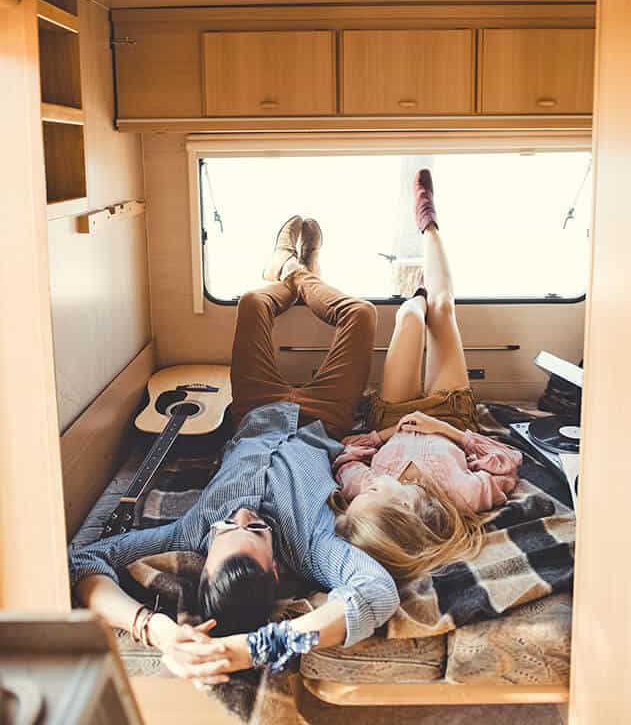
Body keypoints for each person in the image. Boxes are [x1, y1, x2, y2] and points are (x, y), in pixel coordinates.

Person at [69, 215, 398, 686]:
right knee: (361, 314)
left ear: (205, 551)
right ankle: (303, 273)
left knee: (250, 303)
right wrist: (258, 647)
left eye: (227, 528)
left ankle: (286, 270)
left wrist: (154, 627)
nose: (242, 514)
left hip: (256, 410)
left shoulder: (188, 531)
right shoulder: (311, 549)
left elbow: (82, 560)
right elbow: (374, 593)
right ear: (277, 565)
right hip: (325, 418)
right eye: (258, 529)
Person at [331, 169, 522, 582]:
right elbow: (507, 463)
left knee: (411, 319)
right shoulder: (462, 496)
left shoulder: (363, 492)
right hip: (448, 416)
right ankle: (429, 222)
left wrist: (381, 438)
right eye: (376, 493)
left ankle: (415, 294)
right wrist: (449, 432)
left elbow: (346, 455)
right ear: (405, 510)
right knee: (444, 309)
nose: (369, 487)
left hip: (392, 418)